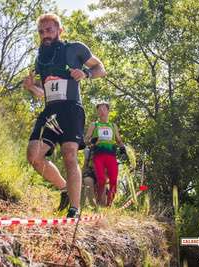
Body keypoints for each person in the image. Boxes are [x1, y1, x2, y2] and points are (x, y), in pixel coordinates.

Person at [23, 13, 106, 218]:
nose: (45, 35)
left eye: (50, 30)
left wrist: (86, 74)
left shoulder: (74, 48)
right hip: (50, 111)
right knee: (34, 156)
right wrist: (32, 87)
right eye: (41, 32)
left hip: (71, 108)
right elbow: (45, 92)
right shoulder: (41, 58)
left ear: (60, 30)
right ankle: (64, 190)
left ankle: (74, 210)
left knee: (70, 154)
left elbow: (100, 68)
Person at [85, 103, 127, 206]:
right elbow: (85, 140)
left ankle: (109, 204)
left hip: (111, 156)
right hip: (98, 156)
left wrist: (123, 148)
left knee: (113, 180)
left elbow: (119, 140)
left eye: (104, 109)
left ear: (108, 111)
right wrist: (91, 140)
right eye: (99, 109)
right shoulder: (94, 125)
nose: (102, 111)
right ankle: (100, 202)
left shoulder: (113, 126)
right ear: (97, 112)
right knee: (102, 180)